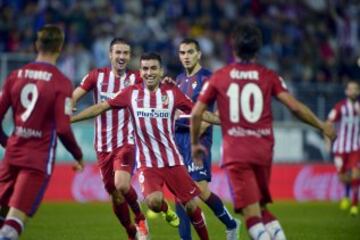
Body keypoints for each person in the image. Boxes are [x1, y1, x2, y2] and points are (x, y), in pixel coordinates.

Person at [190, 24, 336, 240]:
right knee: (260, 207)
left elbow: (196, 114)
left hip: (236, 153)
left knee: (250, 214)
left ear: (233, 48)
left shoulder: (220, 77)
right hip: (263, 150)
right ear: (258, 50)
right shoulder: (268, 76)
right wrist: (322, 125)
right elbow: (294, 107)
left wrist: (194, 144)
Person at [71, 52, 220, 240]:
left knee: (191, 206)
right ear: (141, 71)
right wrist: (72, 119)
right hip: (148, 164)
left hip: (172, 160)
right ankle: (165, 208)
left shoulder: (172, 93)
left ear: (161, 71)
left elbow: (199, 112)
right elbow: (101, 107)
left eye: (153, 68)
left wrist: (223, 121)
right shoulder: (131, 93)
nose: (149, 72)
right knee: (154, 203)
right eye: (146, 68)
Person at [0, 25, 84, 240]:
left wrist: (7, 143)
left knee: (3, 217)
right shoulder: (61, 82)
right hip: (36, 161)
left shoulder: (15, 75)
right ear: (60, 47)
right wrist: (78, 155)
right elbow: (63, 128)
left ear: (37, 45)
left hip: (10, 157)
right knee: (10, 229)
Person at [71, 38, 149, 240]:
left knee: (122, 185)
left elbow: (157, 82)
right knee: (115, 194)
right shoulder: (97, 76)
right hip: (103, 145)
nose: (122, 57)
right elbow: (75, 94)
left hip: (127, 142)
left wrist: (166, 81)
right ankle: (130, 231)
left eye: (125, 53)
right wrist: (68, 104)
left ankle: (140, 218)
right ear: (110, 55)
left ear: (130, 56)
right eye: (118, 53)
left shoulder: (137, 78)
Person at [174, 38, 239, 240]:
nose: (186, 56)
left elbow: (219, 110)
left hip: (199, 140)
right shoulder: (178, 79)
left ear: (199, 54)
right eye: (183, 53)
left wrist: (204, 126)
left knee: (200, 191)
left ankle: (231, 223)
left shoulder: (209, 78)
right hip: (178, 138)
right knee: (180, 194)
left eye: (190, 52)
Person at [327, 80, 360, 216]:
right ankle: (346, 195)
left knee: (355, 173)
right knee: (343, 177)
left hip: (355, 147)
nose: (353, 91)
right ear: (346, 91)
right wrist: (328, 141)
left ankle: (354, 204)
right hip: (340, 148)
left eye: (355, 89)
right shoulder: (340, 107)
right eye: (350, 89)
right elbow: (329, 122)